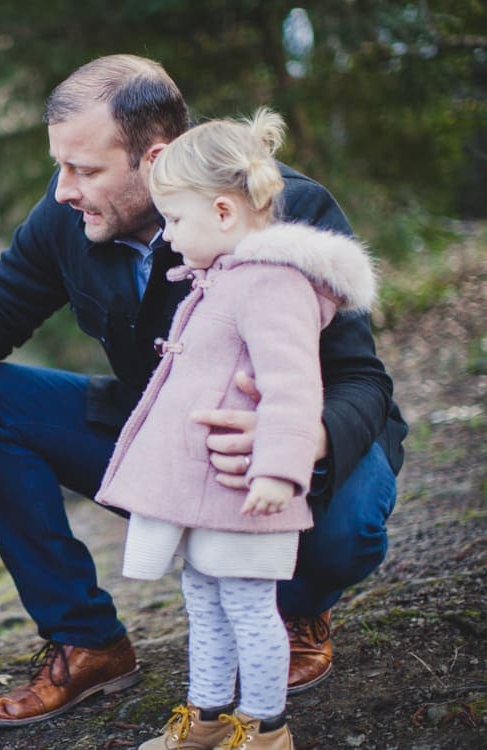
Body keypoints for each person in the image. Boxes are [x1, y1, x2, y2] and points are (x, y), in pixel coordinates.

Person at [0, 54, 406, 728]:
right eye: (60, 165)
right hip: (162, 437)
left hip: (281, 449)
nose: (62, 190)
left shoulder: (281, 209)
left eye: (84, 169)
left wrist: (300, 439)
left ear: (155, 157)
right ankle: (88, 643)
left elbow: (359, 378)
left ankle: (294, 608)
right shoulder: (67, 220)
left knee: (345, 530)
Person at [94, 109, 376, 750]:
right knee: (205, 604)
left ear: (224, 212)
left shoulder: (271, 283)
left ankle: (265, 730)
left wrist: (281, 468)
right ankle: (209, 718)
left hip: (248, 489)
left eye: (174, 220)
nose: (166, 237)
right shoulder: (223, 278)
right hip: (211, 495)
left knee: (250, 609)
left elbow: (294, 383)